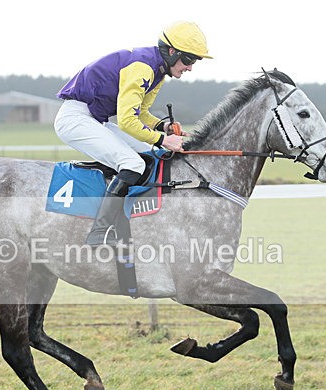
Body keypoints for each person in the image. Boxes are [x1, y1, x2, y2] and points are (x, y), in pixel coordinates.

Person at [55, 21, 212, 246]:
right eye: (188, 60)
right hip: (76, 118)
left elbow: (142, 113)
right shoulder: (142, 68)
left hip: (94, 119)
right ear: (171, 52)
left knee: (151, 153)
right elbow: (127, 121)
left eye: (194, 61)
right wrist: (164, 139)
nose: (190, 67)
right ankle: (99, 232)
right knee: (134, 164)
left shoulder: (157, 72)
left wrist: (162, 127)